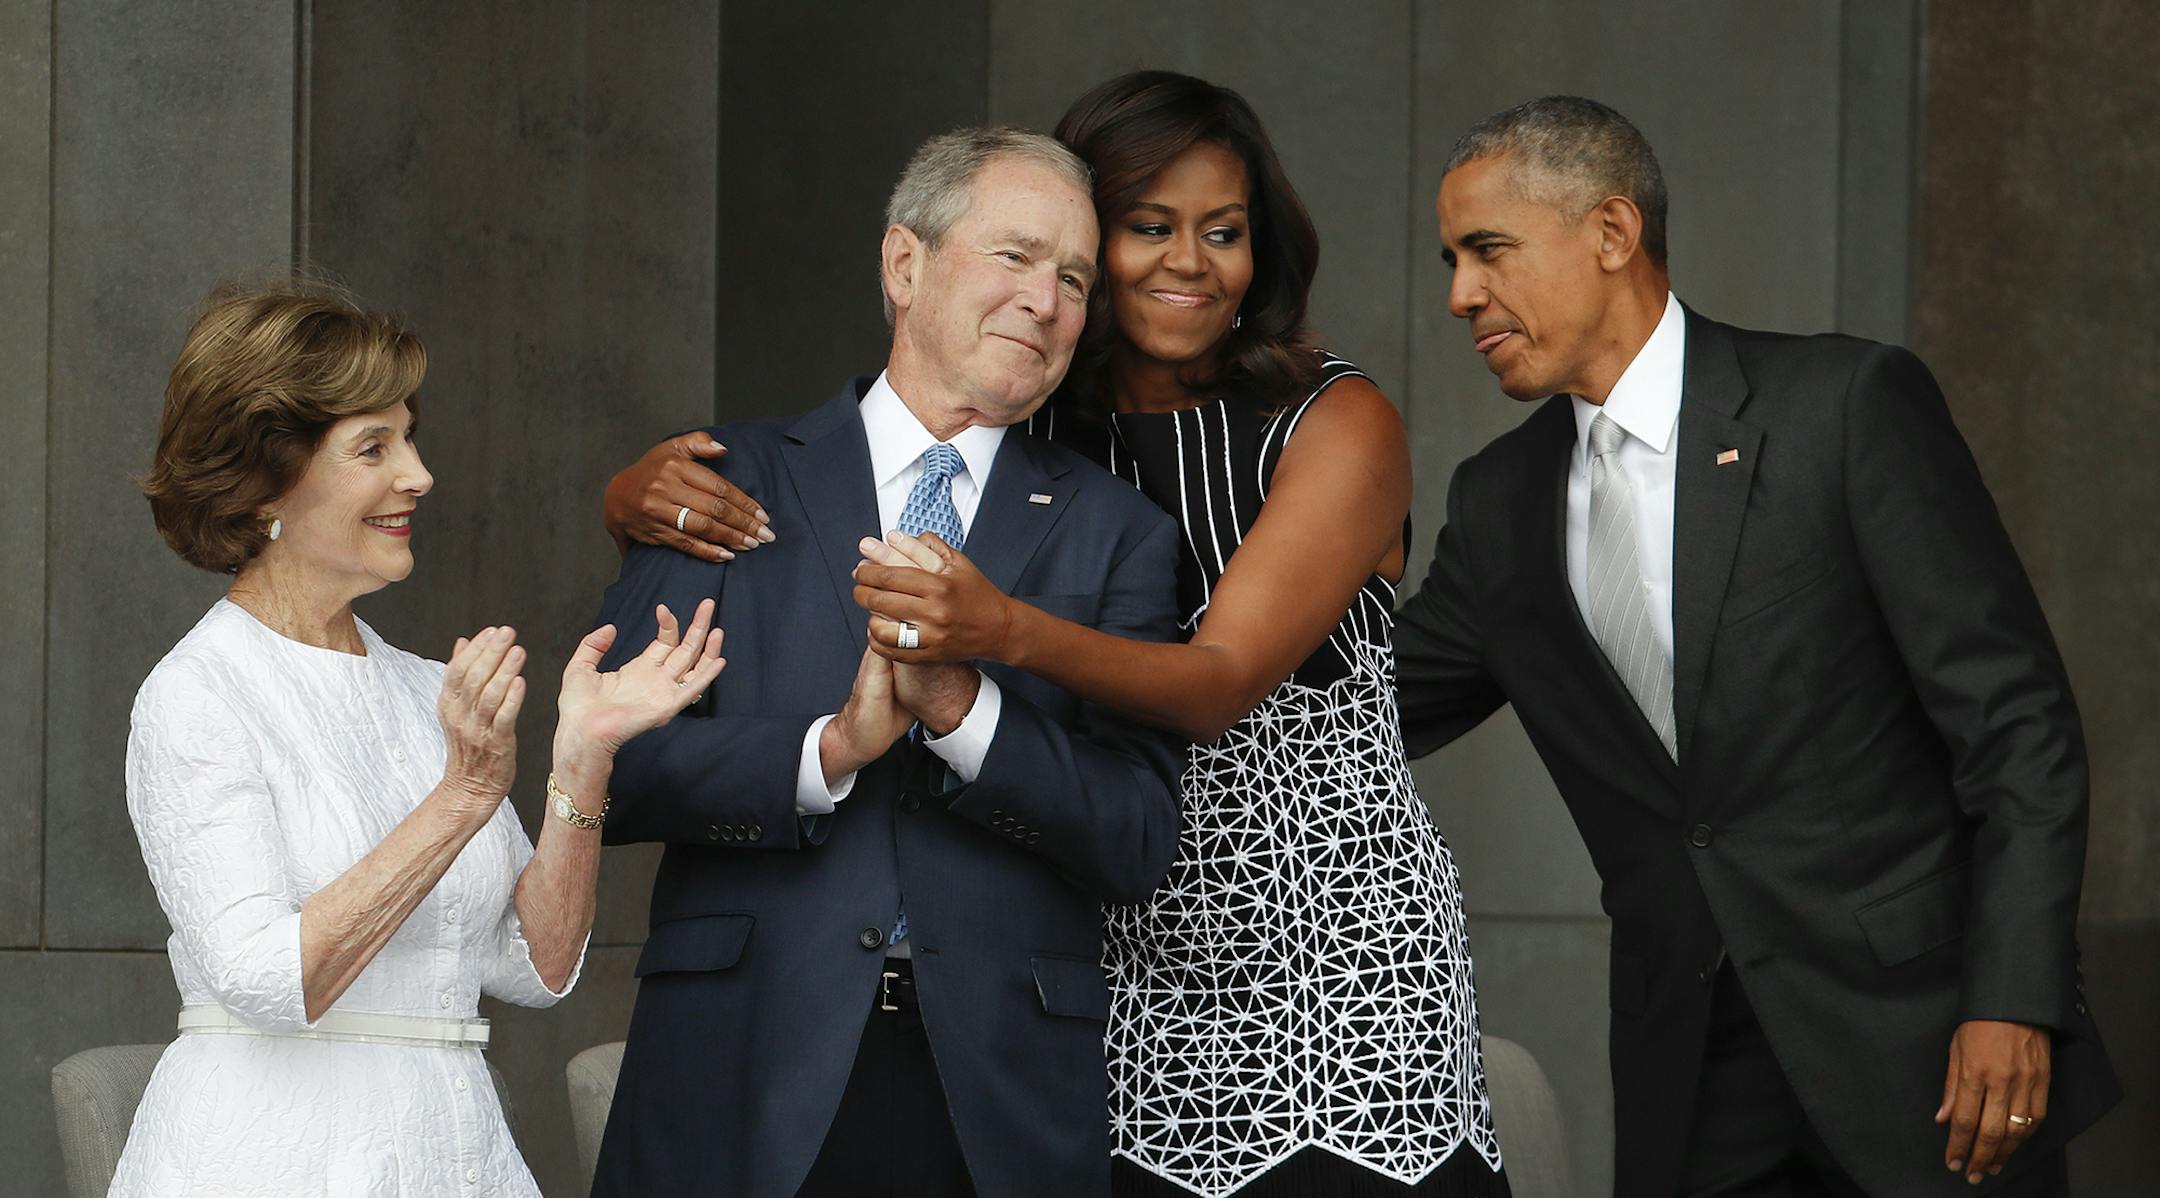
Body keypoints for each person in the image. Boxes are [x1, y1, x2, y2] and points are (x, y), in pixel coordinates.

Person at [606, 74, 1506, 1198]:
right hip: (1115, 983)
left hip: (1323, 951)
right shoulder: (1016, 432)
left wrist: (982, 660)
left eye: (1223, 233)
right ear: (909, 264)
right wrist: (635, 511)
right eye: (1144, 229)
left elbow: (1213, 686)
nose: (1188, 260)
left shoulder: (1312, 427)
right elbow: (614, 752)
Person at [1390, 96, 2121, 1197]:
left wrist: (2013, 998)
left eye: (1487, 250)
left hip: (1925, 1048)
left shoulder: (1843, 406)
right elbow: (1356, 713)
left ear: (1611, 232)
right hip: (1690, 1074)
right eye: (1450, 259)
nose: (1459, 295)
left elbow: (2018, 726)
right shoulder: (1497, 503)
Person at [584, 127, 1186, 1198]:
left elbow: (1137, 837)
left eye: (1075, 279)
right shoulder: (723, 479)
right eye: (1015, 256)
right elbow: (617, 769)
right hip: (742, 1058)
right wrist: (828, 749)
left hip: (997, 1089)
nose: (1046, 301)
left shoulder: (1121, 532)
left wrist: (964, 712)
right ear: (904, 265)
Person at [115, 283, 726, 1197]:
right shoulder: (199, 695)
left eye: (408, 436)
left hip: (453, 1149)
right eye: (373, 446)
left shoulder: (419, 688)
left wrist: (582, 756)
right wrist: (463, 796)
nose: (419, 474)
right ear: (268, 480)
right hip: (271, 1159)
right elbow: (270, 980)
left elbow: (537, 966)